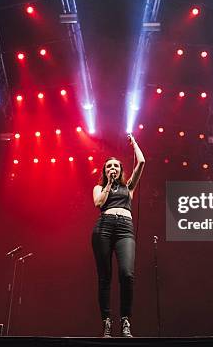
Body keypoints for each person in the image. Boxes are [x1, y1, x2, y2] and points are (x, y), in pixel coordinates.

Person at [92, 134, 145, 337]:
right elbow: (98, 203)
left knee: (127, 274)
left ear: (121, 170)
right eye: (109, 167)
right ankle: (106, 322)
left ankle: (125, 321)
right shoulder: (99, 187)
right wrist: (107, 185)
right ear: (105, 171)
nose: (112, 169)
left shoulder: (128, 187)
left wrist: (134, 144)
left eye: (116, 166)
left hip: (125, 228)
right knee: (105, 277)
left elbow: (141, 161)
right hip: (103, 228)